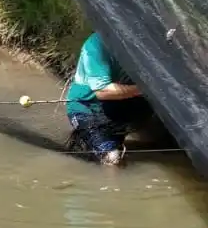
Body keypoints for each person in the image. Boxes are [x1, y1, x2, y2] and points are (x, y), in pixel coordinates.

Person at [64, 32, 150, 166]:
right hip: (85, 107)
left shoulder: (148, 44)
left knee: (115, 144)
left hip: (117, 108)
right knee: (112, 158)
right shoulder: (96, 45)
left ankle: (93, 142)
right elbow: (103, 91)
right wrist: (146, 89)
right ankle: (88, 137)